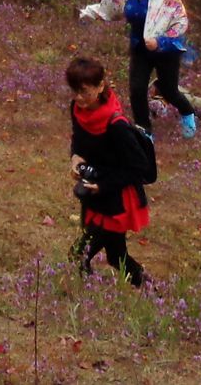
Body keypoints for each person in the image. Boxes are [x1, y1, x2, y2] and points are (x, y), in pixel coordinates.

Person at [78, 0, 201, 138]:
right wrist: (89, 12)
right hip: (140, 47)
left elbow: (180, 21)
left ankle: (187, 113)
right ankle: (145, 132)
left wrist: (160, 41)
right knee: (137, 89)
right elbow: (114, 7)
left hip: (166, 49)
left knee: (169, 90)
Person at [65, 55, 152, 286]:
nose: (78, 97)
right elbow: (79, 140)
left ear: (100, 86)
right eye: (74, 90)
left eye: (84, 91)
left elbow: (138, 167)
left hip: (117, 198)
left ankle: (87, 299)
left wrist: (104, 184)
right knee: (116, 256)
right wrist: (76, 158)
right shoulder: (77, 108)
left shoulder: (117, 126)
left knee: (79, 255)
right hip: (95, 191)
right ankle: (153, 291)